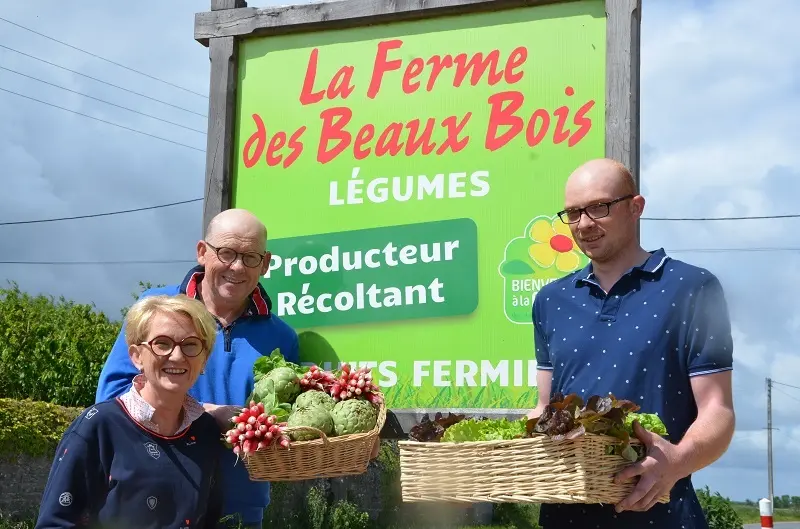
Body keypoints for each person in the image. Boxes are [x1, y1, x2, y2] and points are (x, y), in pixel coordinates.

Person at [527, 158, 736, 529]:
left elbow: (718, 411)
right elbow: (544, 409)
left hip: (664, 516)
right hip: (564, 517)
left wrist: (677, 460)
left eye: (599, 207)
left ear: (635, 207)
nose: (585, 224)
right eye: (573, 213)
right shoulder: (550, 301)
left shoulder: (693, 289)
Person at [96, 208, 300, 529]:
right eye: (227, 253)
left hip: (240, 511)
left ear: (265, 264)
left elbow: (288, 421)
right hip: (153, 504)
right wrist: (206, 414)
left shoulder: (282, 338)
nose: (236, 266)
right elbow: (112, 397)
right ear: (202, 252)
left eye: (250, 257)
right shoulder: (156, 308)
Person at [36, 294, 223, 529]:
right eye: (162, 343)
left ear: (204, 359)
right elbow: (55, 523)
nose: (177, 356)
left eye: (191, 345)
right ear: (136, 356)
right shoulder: (99, 425)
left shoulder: (205, 432)